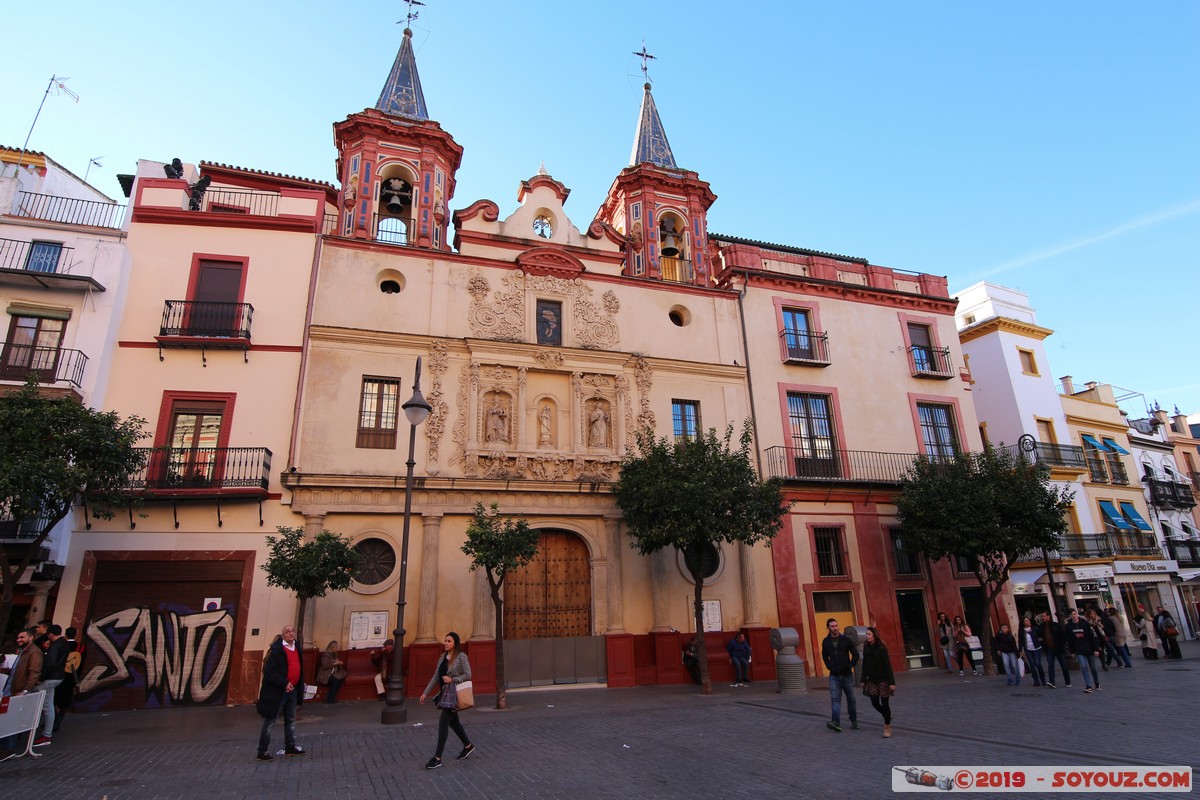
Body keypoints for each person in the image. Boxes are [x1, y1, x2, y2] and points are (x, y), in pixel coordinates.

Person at [419, 631, 475, 769]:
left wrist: (453, 679)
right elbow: (436, 676)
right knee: (454, 723)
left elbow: (468, 674)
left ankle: (437, 758)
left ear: (455, 643)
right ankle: (468, 746)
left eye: (449, 641)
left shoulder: (461, 657)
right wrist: (425, 693)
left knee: (443, 723)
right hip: (445, 694)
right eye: (445, 640)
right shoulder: (442, 657)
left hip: (453, 695)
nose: (446, 643)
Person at [254, 625, 306, 761]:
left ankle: (290, 746)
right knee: (270, 721)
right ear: (282, 635)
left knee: (291, 720)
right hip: (278, 691)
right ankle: (262, 750)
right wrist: (284, 683)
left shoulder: (297, 647)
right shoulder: (277, 650)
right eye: (287, 632)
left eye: (292, 631)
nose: (290, 633)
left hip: (293, 689)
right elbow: (269, 672)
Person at [0, 628, 43, 761]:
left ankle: (8, 749)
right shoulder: (24, 652)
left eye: (22, 637)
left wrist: (25, 691)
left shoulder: (34, 652)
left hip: (17, 692)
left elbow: (34, 672)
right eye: (18, 637)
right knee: (7, 718)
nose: (19, 640)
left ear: (31, 638)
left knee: (11, 719)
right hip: (11, 690)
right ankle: (7, 747)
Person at [33, 624, 68, 747]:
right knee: (49, 705)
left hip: (50, 678)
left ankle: (45, 734)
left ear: (51, 634)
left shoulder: (56, 646)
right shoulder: (64, 643)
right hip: (58, 677)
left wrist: (41, 678)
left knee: (41, 704)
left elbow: (51, 663)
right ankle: (47, 733)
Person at [821, 618, 858, 732]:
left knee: (851, 699)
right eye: (832, 626)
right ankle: (836, 722)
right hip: (834, 676)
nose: (835, 628)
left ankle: (854, 720)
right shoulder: (826, 641)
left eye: (836, 625)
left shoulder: (846, 639)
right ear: (828, 628)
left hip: (846, 675)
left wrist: (850, 665)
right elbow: (824, 655)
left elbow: (855, 654)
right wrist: (828, 666)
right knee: (835, 699)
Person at [860, 627, 896, 738]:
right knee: (874, 702)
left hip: (883, 679)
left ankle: (887, 728)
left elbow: (887, 665)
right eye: (866, 634)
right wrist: (863, 679)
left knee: (885, 703)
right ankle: (887, 715)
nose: (867, 636)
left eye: (869, 634)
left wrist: (891, 682)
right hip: (871, 679)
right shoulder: (866, 647)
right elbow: (864, 664)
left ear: (874, 635)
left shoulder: (881, 647)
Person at [53, 626, 83, 733]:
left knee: (54, 699)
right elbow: (81, 663)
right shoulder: (80, 647)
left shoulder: (60, 645)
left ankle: (54, 719)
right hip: (71, 677)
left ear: (65, 634)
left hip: (59, 675)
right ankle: (59, 719)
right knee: (65, 700)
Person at [1063, 609, 1101, 693]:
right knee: (1084, 666)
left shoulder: (1085, 623)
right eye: (1071, 614)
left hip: (1089, 649)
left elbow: (1093, 636)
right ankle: (1088, 685)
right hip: (1079, 650)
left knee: (1093, 668)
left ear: (1077, 614)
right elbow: (1069, 640)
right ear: (1070, 616)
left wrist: (1096, 649)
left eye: (1074, 614)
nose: (1073, 616)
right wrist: (1072, 651)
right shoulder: (1068, 626)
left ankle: (1097, 683)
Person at [1037, 612, 1071, 688]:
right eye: (1042, 616)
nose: (1043, 618)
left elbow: (1063, 636)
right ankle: (1052, 681)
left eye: (1044, 616)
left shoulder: (1056, 625)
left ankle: (1068, 681)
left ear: (1048, 616)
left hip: (1058, 648)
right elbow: (1039, 637)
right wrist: (1043, 644)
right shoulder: (1041, 627)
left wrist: (1060, 645)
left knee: (1064, 665)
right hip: (1049, 649)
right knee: (1050, 665)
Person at [1018, 616, 1045, 687]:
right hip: (1028, 650)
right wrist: (1020, 650)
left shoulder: (1034, 629)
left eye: (1028, 620)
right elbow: (1020, 641)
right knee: (1032, 665)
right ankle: (1036, 681)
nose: (1028, 622)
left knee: (1038, 663)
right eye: (1026, 621)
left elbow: (1040, 637)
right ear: (1023, 623)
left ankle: (1043, 679)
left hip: (1037, 648)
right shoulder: (1021, 631)